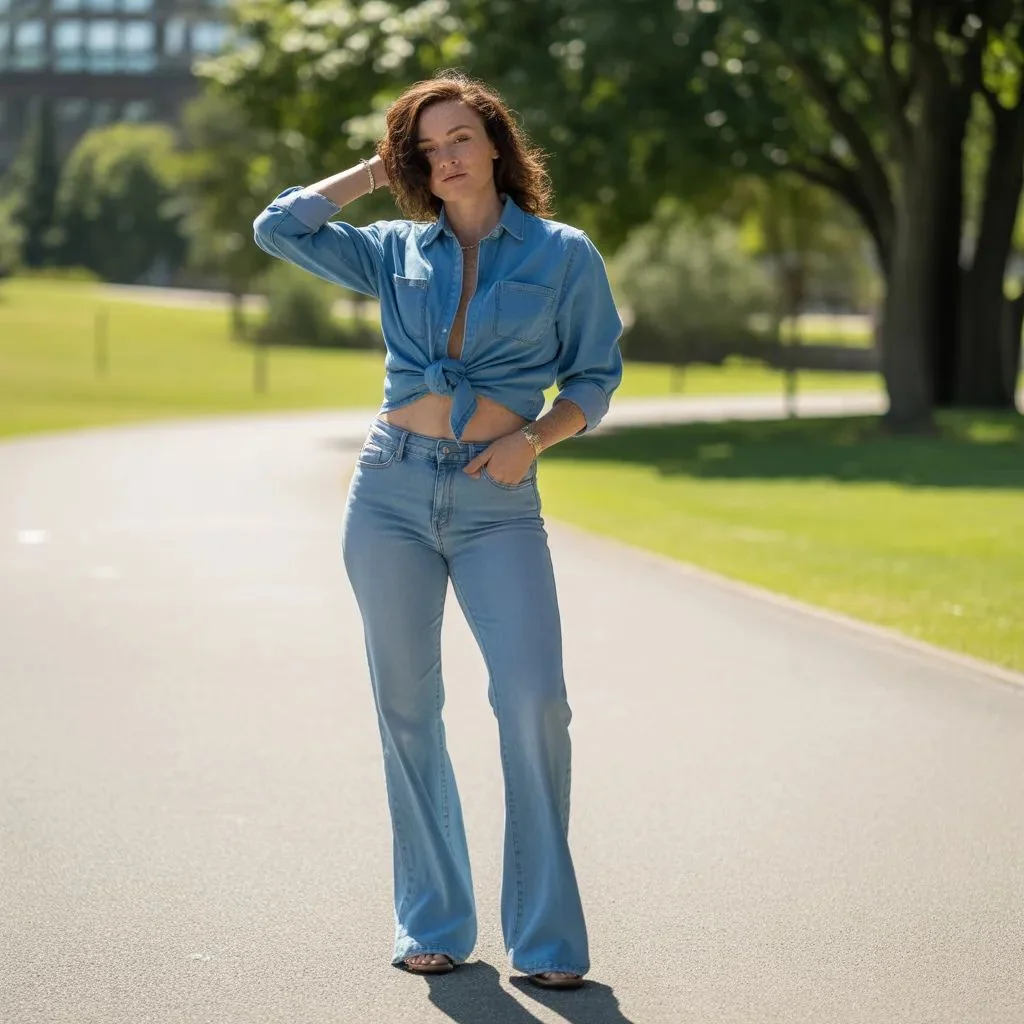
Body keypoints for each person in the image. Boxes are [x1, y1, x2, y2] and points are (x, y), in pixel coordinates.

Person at [253, 70, 622, 990]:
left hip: (499, 503)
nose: (445, 156)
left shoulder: (562, 254)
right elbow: (277, 228)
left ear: (497, 143)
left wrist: (533, 440)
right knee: (408, 712)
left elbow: (594, 379)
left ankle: (544, 942)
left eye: (461, 137)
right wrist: (372, 174)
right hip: (389, 496)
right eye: (426, 146)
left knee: (535, 702)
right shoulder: (390, 250)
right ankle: (434, 921)